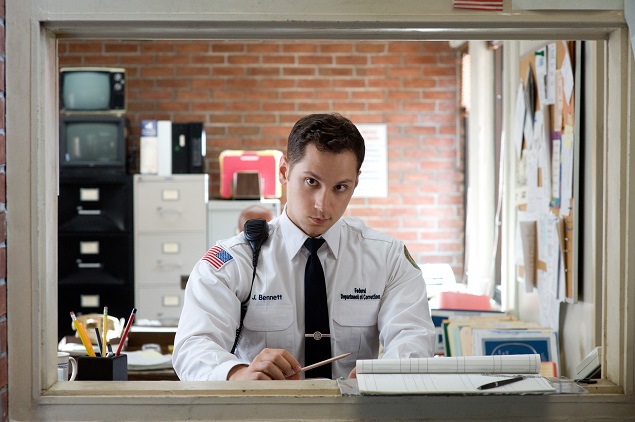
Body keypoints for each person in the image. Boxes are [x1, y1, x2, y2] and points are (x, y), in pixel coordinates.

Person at [173, 113, 435, 381]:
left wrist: (388, 374)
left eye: (340, 187)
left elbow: (414, 337)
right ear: (284, 172)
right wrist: (238, 374)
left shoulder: (389, 259)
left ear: (356, 182)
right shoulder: (233, 262)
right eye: (312, 182)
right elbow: (192, 347)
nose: (323, 204)